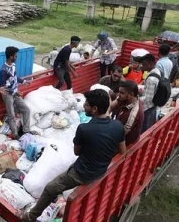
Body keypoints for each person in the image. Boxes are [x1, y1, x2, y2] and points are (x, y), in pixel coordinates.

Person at [21, 89, 126, 222]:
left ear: (94, 109)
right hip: (101, 170)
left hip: (82, 173)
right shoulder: (117, 126)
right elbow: (122, 151)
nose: (83, 106)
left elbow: (76, 152)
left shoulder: (84, 129)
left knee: (50, 188)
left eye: (86, 104)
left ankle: (30, 216)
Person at [0, 46, 36, 139]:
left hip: (15, 92)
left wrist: (24, 81)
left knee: (26, 109)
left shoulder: (13, 65)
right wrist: (15, 92)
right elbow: (3, 87)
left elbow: (15, 77)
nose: (17, 58)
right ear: (11, 57)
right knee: (11, 115)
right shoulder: (3, 70)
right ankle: (15, 135)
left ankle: (26, 131)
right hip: (7, 95)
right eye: (15, 56)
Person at [111, 80, 144, 146]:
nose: (118, 94)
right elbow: (111, 106)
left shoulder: (133, 114)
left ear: (131, 94)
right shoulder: (125, 98)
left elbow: (120, 134)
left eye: (121, 93)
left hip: (126, 144)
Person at [139, 54, 160, 133]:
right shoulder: (157, 71)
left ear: (150, 63)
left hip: (147, 108)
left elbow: (148, 98)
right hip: (153, 105)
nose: (142, 67)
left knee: (144, 130)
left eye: (144, 65)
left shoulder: (151, 79)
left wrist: (136, 100)